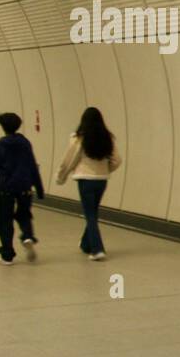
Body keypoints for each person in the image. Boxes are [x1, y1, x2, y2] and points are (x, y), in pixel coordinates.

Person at [0, 112, 45, 266]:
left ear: (3, 127)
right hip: (24, 187)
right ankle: (27, 236)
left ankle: (7, 255)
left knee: (4, 221)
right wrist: (39, 189)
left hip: (6, 188)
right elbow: (32, 167)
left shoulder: (0, 145)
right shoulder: (26, 144)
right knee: (24, 214)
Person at [56, 107, 121, 261]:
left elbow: (70, 159)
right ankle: (86, 244)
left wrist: (61, 176)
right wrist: (106, 170)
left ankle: (97, 249)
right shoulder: (108, 138)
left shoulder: (79, 138)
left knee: (90, 215)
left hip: (85, 180)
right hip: (101, 181)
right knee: (92, 212)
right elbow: (117, 160)